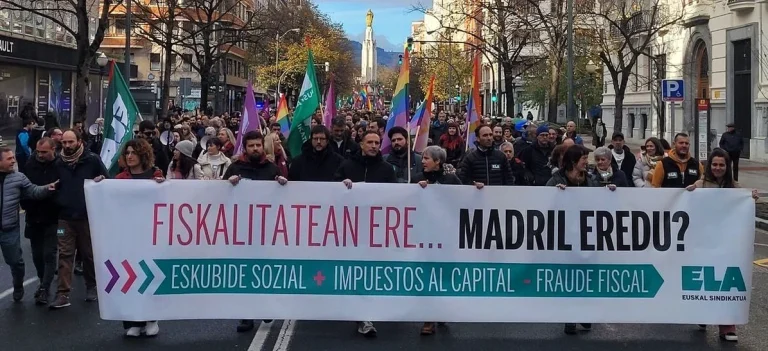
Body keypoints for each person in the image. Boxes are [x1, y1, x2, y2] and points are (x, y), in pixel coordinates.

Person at [685, 148, 759, 342]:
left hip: (727, 244)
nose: (718, 168)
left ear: (727, 167)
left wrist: (750, 197)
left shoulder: (735, 188)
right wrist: (688, 193)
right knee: (705, 280)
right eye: (715, 164)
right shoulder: (700, 185)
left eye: (722, 165)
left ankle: (727, 327)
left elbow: (742, 205)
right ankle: (703, 315)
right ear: (709, 165)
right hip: (703, 243)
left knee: (726, 284)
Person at [547, 145, 615, 335]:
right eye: (584, 158)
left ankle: (584, 313)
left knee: (587, 278)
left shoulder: (591, 180)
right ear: (573, 161)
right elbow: (545, 204)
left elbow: (599, 202)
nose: (587, 162)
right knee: (570, 279)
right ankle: (570, 317)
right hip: (565, 238)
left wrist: (610, 192)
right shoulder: (556, 180)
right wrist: (555, 194)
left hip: (587, 237)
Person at [334, 130, 396, 337]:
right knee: (355, 270)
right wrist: (341, 186)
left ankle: (367, 312)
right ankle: (361, 315)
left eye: (377, 142)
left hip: (376, 230)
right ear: (361, 144)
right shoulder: (347, 166)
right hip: (350, 229)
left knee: (372, 271)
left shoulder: (386, 169)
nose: (373, 146)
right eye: (369, 142)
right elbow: (332, 191)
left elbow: (396, 196)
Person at [224, 131, 287, 333]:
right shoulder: (235, 167)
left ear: (262, 146)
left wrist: (281, 183)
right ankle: (246, 315)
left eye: (258, 145)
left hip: (266, 230)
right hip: (242, 230)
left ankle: (265, 307)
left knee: (265, 271)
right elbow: (220, 193)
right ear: (245, 148)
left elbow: (284, 198)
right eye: (251, 146)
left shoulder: (272, 168)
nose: (255, 149)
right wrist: (228, 183)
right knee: (245, 273)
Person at [50, 129, 109, 309]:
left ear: (79, 141)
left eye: (70, 142)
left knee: (88, 254)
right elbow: (53, 184)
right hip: (64, 218)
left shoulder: (92, 160)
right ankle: (62, 294)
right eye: (64, 142)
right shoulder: (58, 163)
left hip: (86, 217)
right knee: (65, 254)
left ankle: (91, 286)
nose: (67, 145)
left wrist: (101, 180)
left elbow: (108, 180)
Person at [114, 139, 164, 337]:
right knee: (129, 276)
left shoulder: (155, 175)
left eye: (134, 152)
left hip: (150, 233)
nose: (130, 156)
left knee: (149, 274)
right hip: (127, 234)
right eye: (127, 153)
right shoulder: (120, 179)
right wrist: (100, 185)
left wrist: (162, 186)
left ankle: (151, 318)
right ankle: (134, 321)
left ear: (143, 155)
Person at [411, 145, 461, 335]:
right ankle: (429, 318)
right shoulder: (416, 178)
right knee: (427, 276)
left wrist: (478, 188)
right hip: (425, 237)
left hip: (446, 237)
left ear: (438, 161)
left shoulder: (451, 179)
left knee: (444, 275)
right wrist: (417, 189)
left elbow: (465, 199)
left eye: (426, 158)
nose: (422, 161)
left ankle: (440, 310)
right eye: (423, 158)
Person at [0, 146, 56, 303]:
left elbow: (33, 191)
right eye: (9, 159)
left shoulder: (19, 178)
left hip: (9, 229)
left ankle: (18, 285)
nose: (13, 161)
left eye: (13, 157)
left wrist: (48, 188)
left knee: (15, 262)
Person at [20, 138, 61, 305]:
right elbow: (24, 189)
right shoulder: (30, 165)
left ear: (53, 149)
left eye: (44, 152)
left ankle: (45, 287)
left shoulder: (61, 166)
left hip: (54, 218)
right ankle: (42, 279)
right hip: (33, 217)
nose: (41, 155)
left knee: (49, 253)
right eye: (38, 152)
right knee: (37, 255)